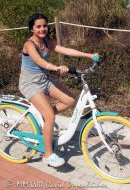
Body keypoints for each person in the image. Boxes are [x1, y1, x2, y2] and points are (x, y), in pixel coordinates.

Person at [19, 13, 98, 167]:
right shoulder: (29, 44)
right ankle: (48, 154)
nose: (43, 29)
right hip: (30, 83)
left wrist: (89, 55)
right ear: (32, 29)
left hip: (45, 78)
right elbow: (39, 61)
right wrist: (56, 67)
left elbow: (65, 50)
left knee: (70, 100)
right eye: (38, 26)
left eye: (44, 26)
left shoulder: (46, 42)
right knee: (50, 116)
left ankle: (46, 119)